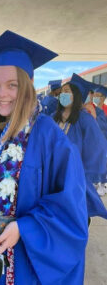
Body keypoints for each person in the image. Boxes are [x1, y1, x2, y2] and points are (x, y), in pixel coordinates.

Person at [0, 30, 88, 285]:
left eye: (12, 84)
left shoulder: (50, 136)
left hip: (32, 262)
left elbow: (72, 207)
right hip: (0, 255)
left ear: (27, 85)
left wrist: (24, 228)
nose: (1, 93)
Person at [53, 73, 107, 219]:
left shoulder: (85, 119)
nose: (62, 95)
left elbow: (97, 146)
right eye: (62, 92)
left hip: (74, 177)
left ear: (76, 96)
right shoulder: (52, 118)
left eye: (67, 92)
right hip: (53, 175)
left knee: (76, 214)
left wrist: (85, 174)